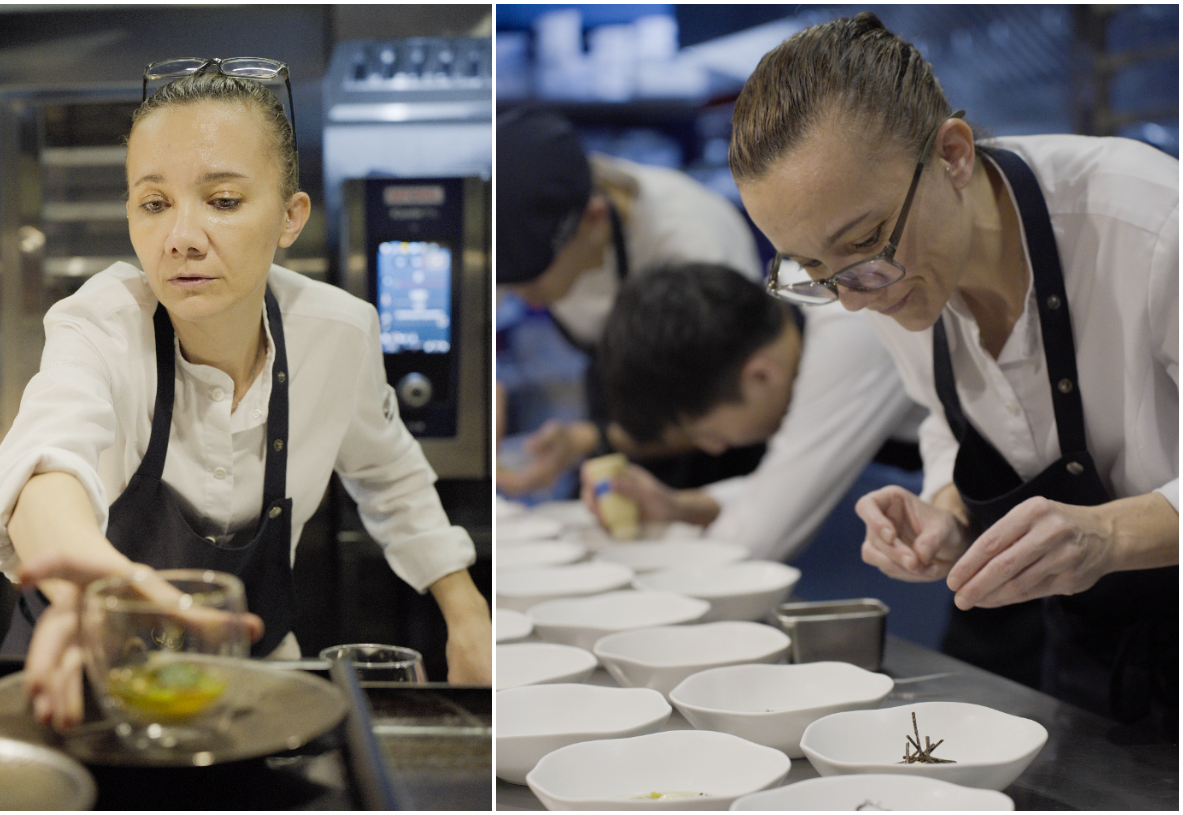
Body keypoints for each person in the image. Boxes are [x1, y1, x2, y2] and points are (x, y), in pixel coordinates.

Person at [0, 59, 491, 730]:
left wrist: (466, 611)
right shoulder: (102, 321)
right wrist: (86, 586)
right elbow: (47, 460)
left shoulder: (336, 335)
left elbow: (387, 472)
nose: (181, 238)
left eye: (222, 201)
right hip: (81, 674)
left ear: (289, 216)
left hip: (248, 687)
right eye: (154, 203)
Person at [729, 12, 1177, 732]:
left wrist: (1109, 536)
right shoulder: (883, 280)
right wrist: (944, 509)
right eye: (812, 268)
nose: (851, 296)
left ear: (953, 154)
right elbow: (948, 419)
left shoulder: (1148, 222)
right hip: (1092, 658)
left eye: (862, 243)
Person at [495, 107, 763, 496]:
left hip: (717, 452)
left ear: (594, 218)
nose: (516, 295)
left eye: (531, 281)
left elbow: (737, 412)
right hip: (619, 434)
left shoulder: (693, 245)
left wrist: (588, 440)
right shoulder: (532, 216)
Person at [583, 263, 921, 561]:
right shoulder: (786, 301)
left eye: (705, 432)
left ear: (760, 375)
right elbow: (776, 487)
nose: (713, 447)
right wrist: (676, 507)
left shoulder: (851, 331)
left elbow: (756, 543)